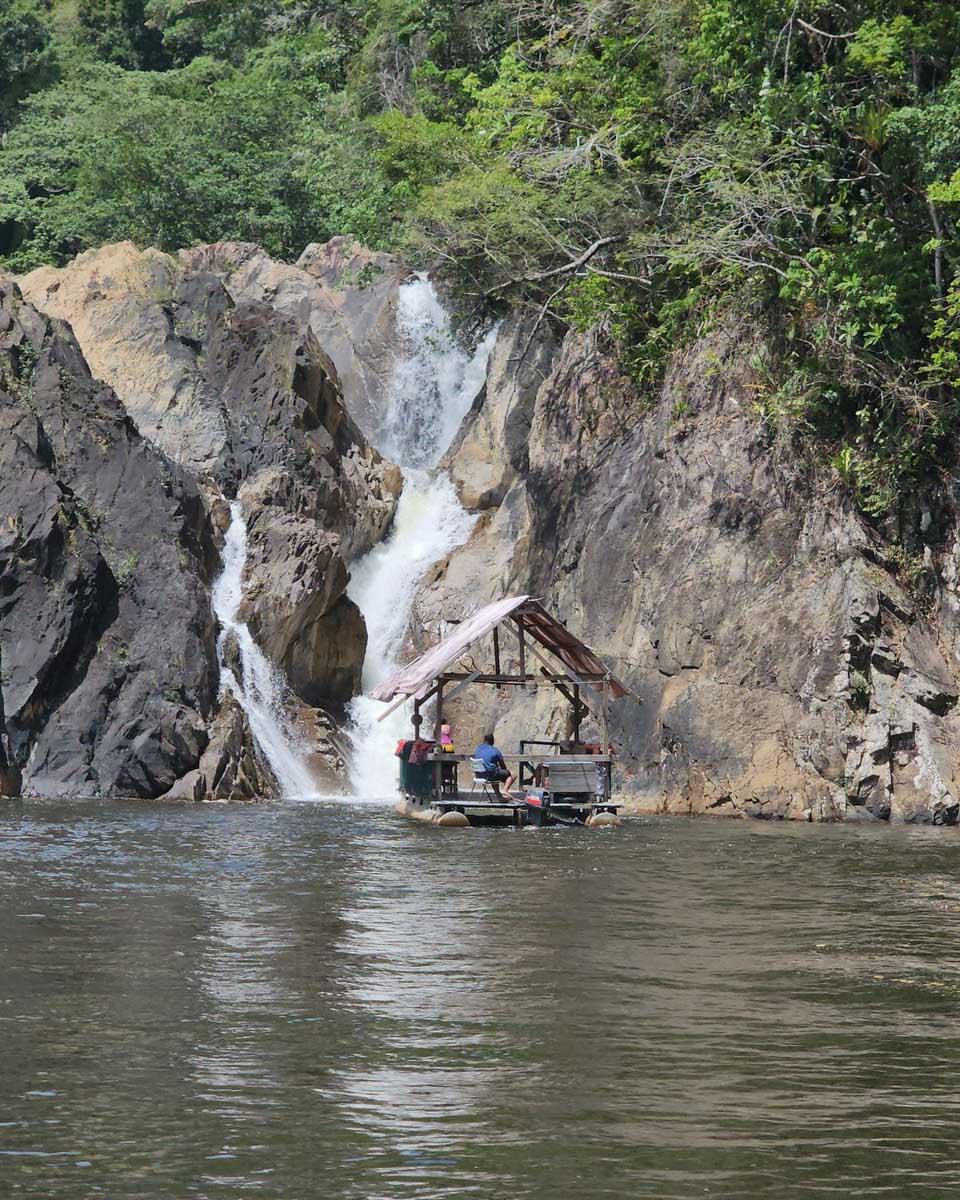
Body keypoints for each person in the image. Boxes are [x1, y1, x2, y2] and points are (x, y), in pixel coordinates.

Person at [473, 733, 517, 801]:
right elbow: (503, 766)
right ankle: (504, 790)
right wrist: (505, 773)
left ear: (484, 740)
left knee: (494, 772)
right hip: (490, 775)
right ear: (492, 741)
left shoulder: (478, 749)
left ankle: (499, 797)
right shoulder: (495, 750)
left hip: (479, 774)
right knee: (513, 774)